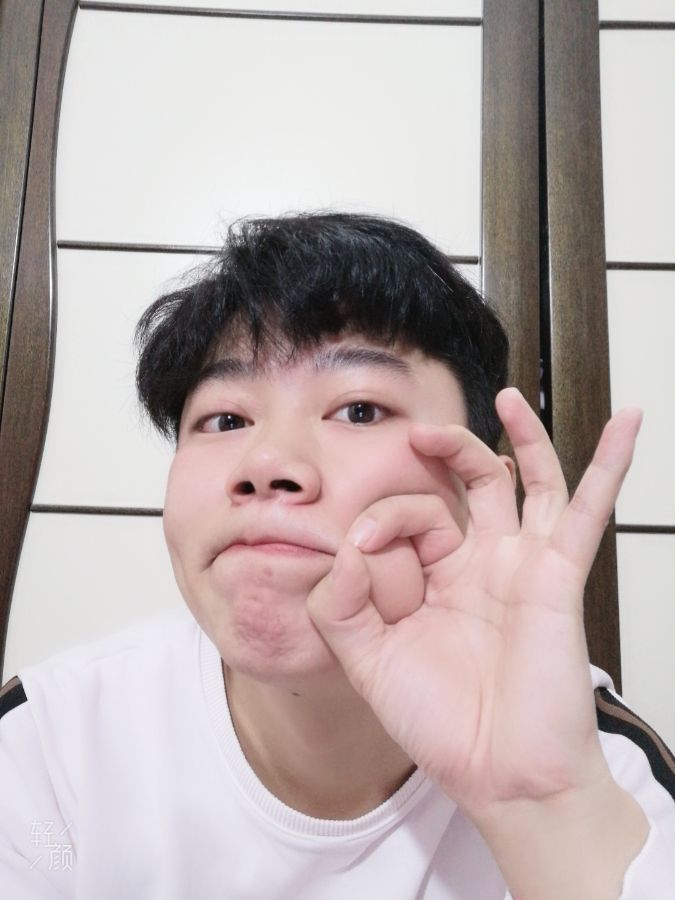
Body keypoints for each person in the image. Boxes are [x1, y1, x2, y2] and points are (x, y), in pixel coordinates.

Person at [1, 212, 673, 898]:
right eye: (226, 419)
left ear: (481, 495)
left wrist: (543, 811)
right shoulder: (49, 751)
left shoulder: (598, 775)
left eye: (358, 410)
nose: (266, 463)